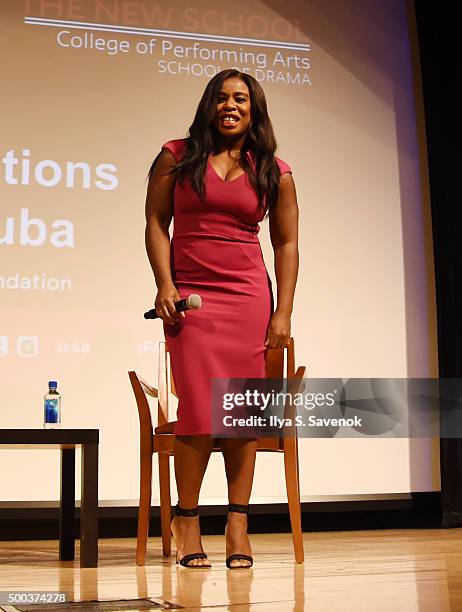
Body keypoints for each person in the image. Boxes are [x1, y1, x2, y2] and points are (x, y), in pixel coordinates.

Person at [144, 69, 299, 569]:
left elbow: (286, 243)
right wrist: (166, 285)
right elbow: (155, 221)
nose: (231, 106)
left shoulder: (274, 169)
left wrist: (282, 312)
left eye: (242, 99)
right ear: (209, 104)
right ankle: (187, 519)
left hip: (247, 298)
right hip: (194, 299)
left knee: (241, 415)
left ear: (254, 109)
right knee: (199, 412)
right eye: (223, 98)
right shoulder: (176, 156)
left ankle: (237, 521)